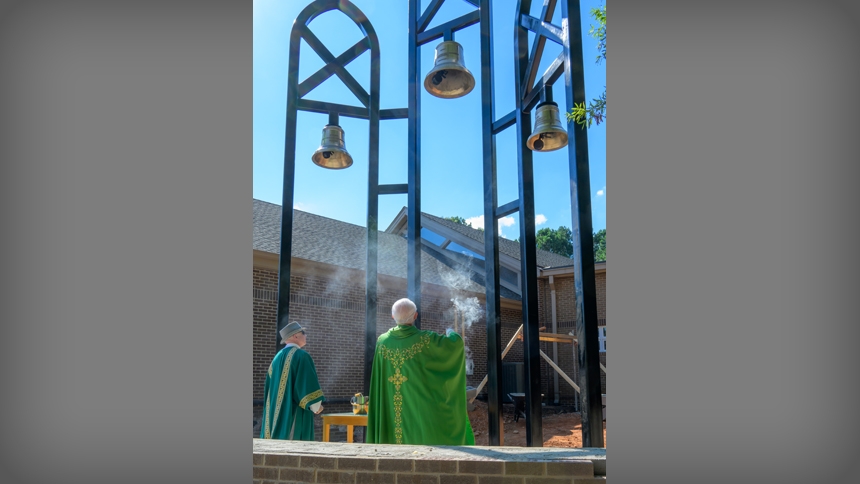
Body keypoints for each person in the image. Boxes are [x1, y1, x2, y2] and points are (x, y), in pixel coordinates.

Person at [367, 298, 475, 445]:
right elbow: (454, 345)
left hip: (390, 413)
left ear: (393, 317)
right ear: (416, 316)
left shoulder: (382, 342)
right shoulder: (426, 340)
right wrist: (451, 333)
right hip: (422, 415)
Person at [260, 321, 325, 440]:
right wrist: (316, 406)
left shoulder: (277, 358)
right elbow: (306, 384)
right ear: (295, 336)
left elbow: (269, 388)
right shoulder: (302, 356)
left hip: (274, 414)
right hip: (293, 413)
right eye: (303, 333)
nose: (306, 336)